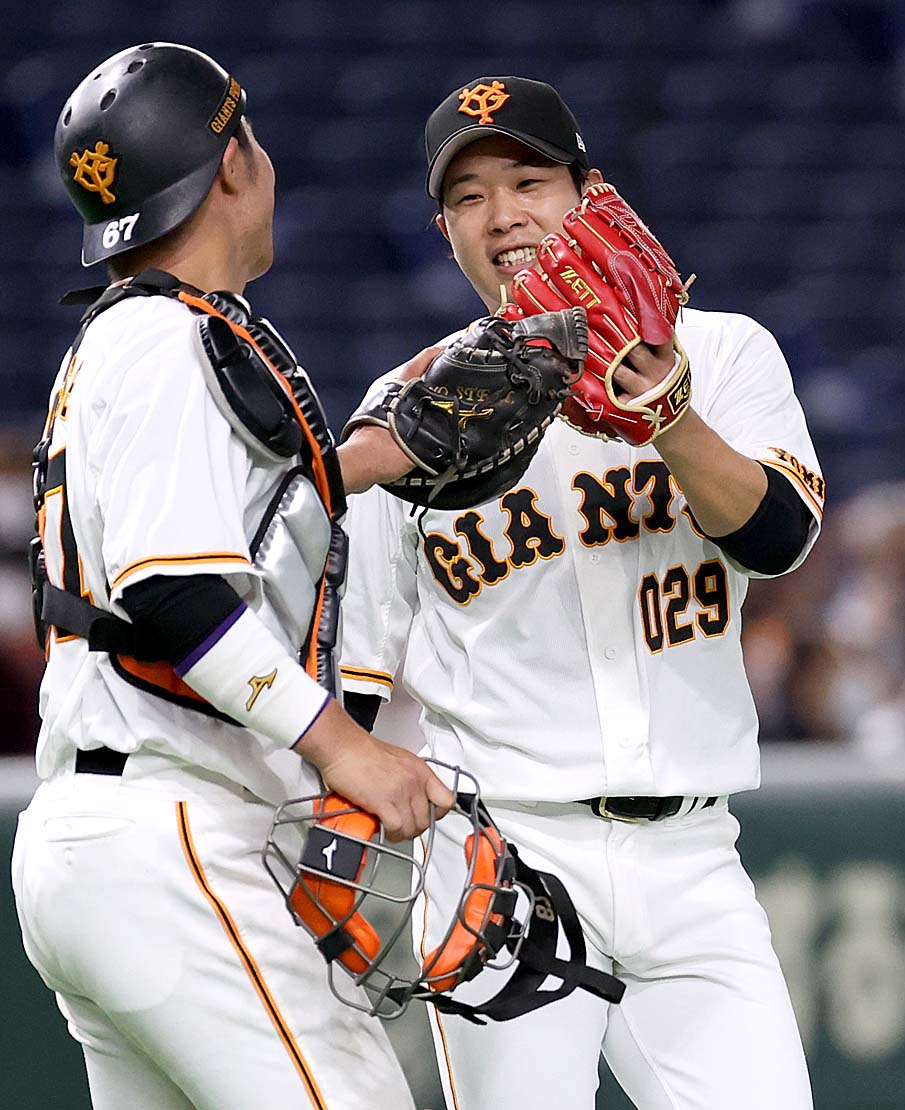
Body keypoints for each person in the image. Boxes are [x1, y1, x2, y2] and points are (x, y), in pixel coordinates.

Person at [339, 76, 824, 1109]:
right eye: (469, 197)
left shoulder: (721, 352)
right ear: (444, 233)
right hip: (505, 857)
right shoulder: (406, 413)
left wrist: (668, 414)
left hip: (693, 855)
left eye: (528, 182)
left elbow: (778, 539)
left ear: (589, 193)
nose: (502, 215)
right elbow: (354, 672)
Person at [10, 42, 456, 1110]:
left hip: (107, 831)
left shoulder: (123, 337)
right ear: (230, 165)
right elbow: (175, 598)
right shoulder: (165, 340)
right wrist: (348, 750)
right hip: (172, 831)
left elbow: (230, 543)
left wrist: (360, 459)